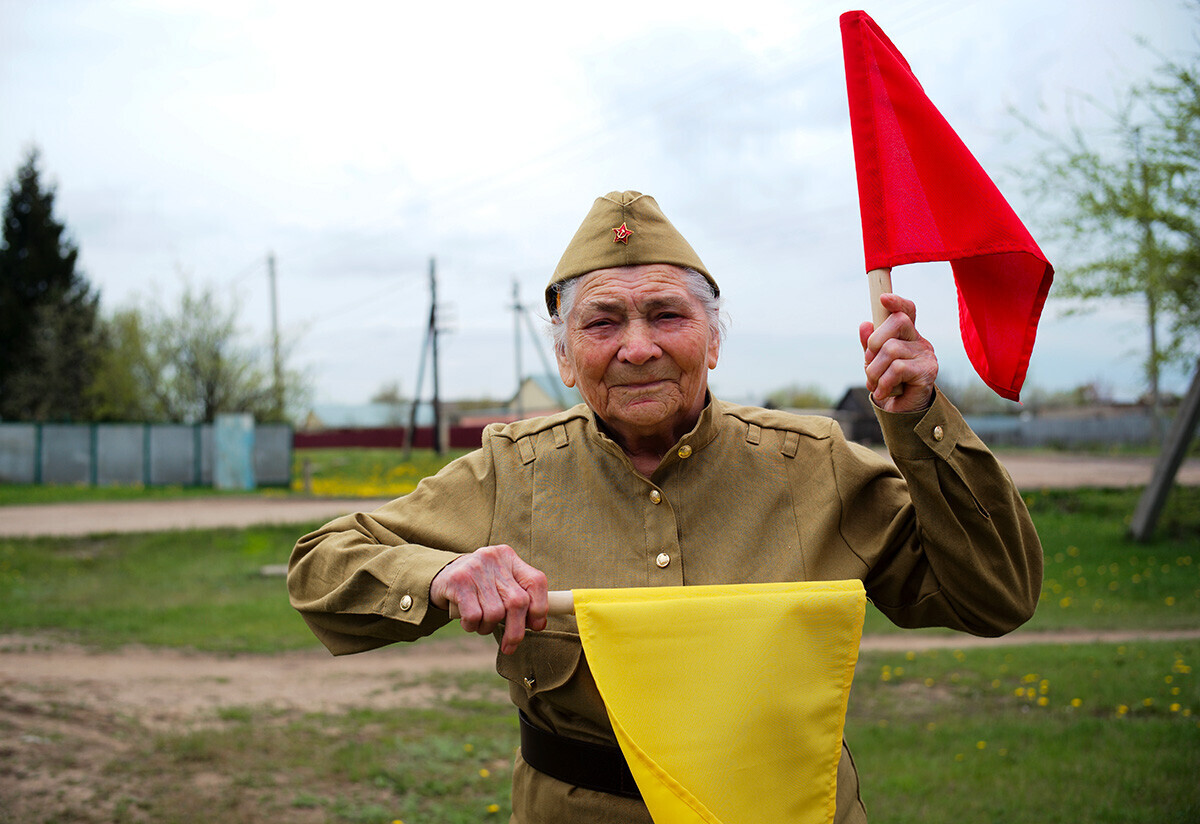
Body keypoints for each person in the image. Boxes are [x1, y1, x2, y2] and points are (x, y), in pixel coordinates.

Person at [288, 190, 1043, 823]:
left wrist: (922, 421)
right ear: (563, 357)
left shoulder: (812, 463)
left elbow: (996, 594)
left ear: (714, 340)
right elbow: (321, 565)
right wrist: (445, 572)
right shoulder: (511, 471)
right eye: (603, 321)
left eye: (667, 315)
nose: (638, 346)